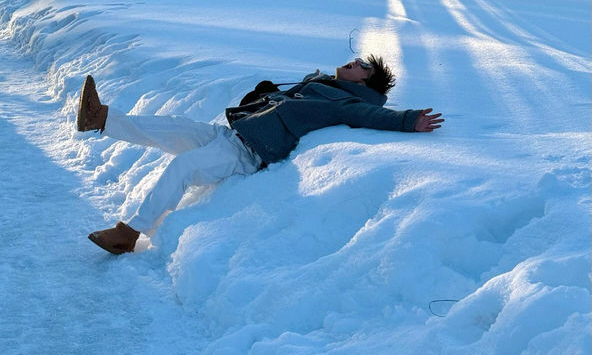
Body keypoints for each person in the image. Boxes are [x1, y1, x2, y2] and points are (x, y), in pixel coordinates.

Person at [78, 56, 443, 255]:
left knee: (184, 166)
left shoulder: (345, 101)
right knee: (174, 127)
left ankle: (129, 234)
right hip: (234, 134)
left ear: (364, 82)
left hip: (247, 153)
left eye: (363, 64)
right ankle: (100, 119)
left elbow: (368, 115)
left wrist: (409, 120)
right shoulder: (323, 85)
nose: (355, 61)